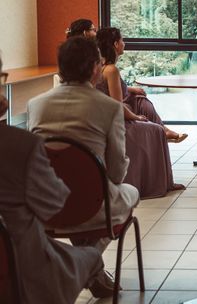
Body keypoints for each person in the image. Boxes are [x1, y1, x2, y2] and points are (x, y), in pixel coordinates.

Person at [26, 37, 140, 297]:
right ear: (94, 68)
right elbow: (115, 172)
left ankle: (89, 269)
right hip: (94, 205)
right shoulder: (109, 107)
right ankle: (87, 264)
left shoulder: (36, 105)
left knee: (79, 202)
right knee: (130, 193)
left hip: (48, 206)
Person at [96, 27, 185, 198]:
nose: (124, 43)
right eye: (122, 40)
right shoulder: (111, 70)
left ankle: (164, 131)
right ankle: (161, 181)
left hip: (107, 115)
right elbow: (116, 106)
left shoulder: (100, 67)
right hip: (115, 120)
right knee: (155, 130)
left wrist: (131, 91)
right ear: (115, 44)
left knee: (142, 102)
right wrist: (136, 118)